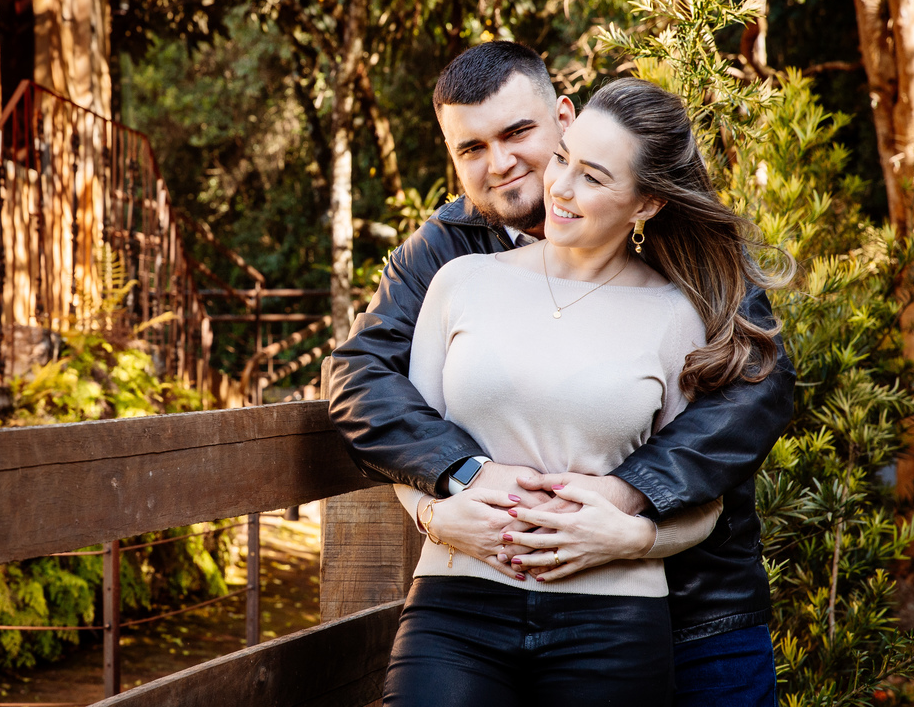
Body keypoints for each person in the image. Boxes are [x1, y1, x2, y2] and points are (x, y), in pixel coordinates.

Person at [327, 42, 795, 705]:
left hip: (694, 603)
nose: (502, 164)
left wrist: (628, 498)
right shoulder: (446, 255)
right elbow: (360, 375)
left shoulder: (679, 252)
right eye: (472, 149)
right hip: (478, 608)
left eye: (519, 132)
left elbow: (758, 383)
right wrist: (459, 482)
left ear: (565, 119)